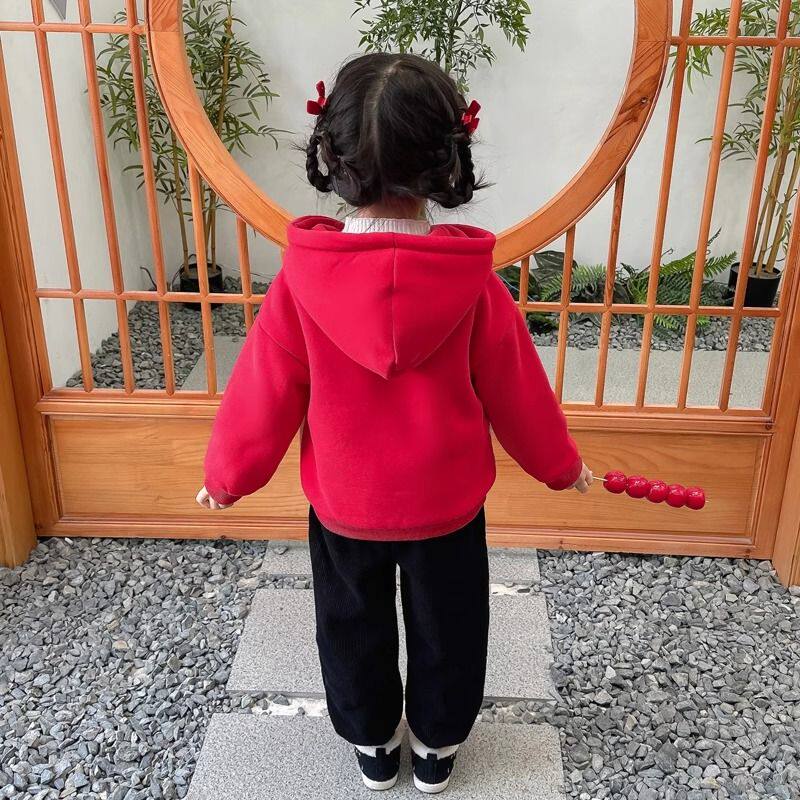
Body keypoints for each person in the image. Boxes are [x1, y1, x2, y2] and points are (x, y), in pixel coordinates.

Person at [196, 52, 592, 795]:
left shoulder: (302, 282)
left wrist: (228, 477)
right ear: (447, 159)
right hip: (446, 503)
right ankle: (437, 746)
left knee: (351, 626)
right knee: (451, 626)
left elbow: (264, 392)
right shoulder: (473, 285)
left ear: (333, 156)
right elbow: (517, 392)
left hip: (345, 502)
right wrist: (560, 466)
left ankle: (373, 743)